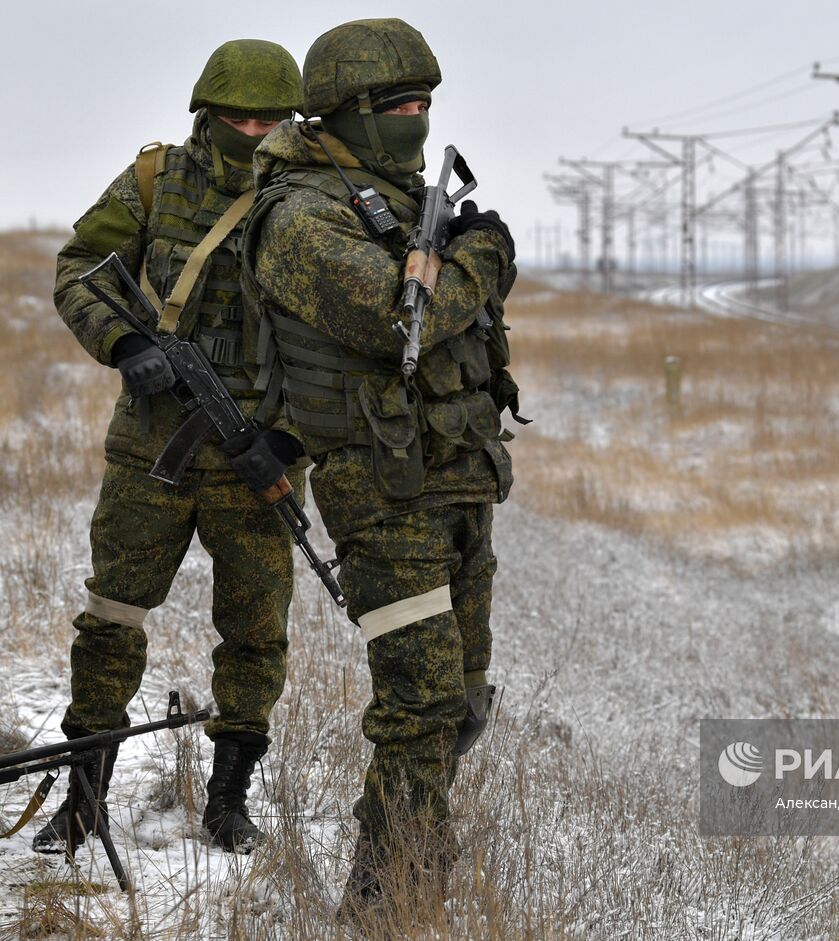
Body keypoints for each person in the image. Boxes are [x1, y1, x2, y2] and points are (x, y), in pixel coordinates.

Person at [240, 17, 519, 918]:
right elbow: (399, 318)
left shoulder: (394, 200)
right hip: (381, 491)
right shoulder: (297, 216)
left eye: (426, 102)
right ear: (345, 113)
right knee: (422, 704)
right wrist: (481, 258)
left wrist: (458, 259)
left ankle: (416, 853)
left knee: (465, 701)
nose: (418, 119)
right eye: (400, 105)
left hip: (456, 479)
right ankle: (382, 904)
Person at [43, 39, 305, 855]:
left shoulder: (310, 197)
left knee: (256, 630)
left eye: (271, 119)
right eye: (237, 118)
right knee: (113, 616)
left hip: (256, 455)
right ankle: (84, 796)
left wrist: (288, 436)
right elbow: (82, 266)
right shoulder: (157, 180)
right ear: (206, 112)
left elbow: (338, 343)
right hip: (150, 450)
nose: (254, 131)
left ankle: (229, 798)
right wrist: (124, 344)